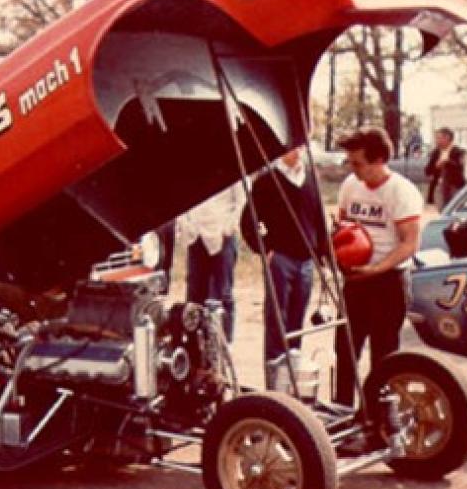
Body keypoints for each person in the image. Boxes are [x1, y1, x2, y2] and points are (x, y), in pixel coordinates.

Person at [333, 128, 424, 406]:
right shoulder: (351, 185)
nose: (353, 168)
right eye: (350, 162)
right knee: (345, 348)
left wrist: (376, 269)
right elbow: (343, 225)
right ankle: (342, 409)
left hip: (388, 281)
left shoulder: (401, 191)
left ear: (379, 160)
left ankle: (377, 416)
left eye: (358, 163)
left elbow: (410, 244)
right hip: (355, 279)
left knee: (383, 356)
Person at [240, 146, 326, 388]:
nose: (296, 152)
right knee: (277, 320)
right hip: (281, 260)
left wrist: (323, 255)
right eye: (291, 147)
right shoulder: (267, 180)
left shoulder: (311, 177)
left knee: (297, 322)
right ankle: (273, 384)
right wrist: (265, 248)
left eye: (300, 147)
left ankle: (292, 380)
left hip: (306, 261)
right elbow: (249, 221)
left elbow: (319, 219)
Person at [178, 182, 245, 340]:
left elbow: (242, 200)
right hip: (196, 235)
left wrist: (229, 226)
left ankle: (225, 343)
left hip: (222, 235)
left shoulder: (231, 168)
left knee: (223, 293)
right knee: (194, 295)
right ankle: (194, 345)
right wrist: (186, 224)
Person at [424, 127, 467, 210]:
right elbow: (427, 171)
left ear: (447, 138)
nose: (436, 141)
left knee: (455, 210)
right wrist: (436, 166)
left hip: (454, 188)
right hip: (439, 189)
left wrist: (447, 162)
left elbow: (459, 170)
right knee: (443, 211)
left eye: (439, 138)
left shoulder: (458, 152)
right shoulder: (435, 153)